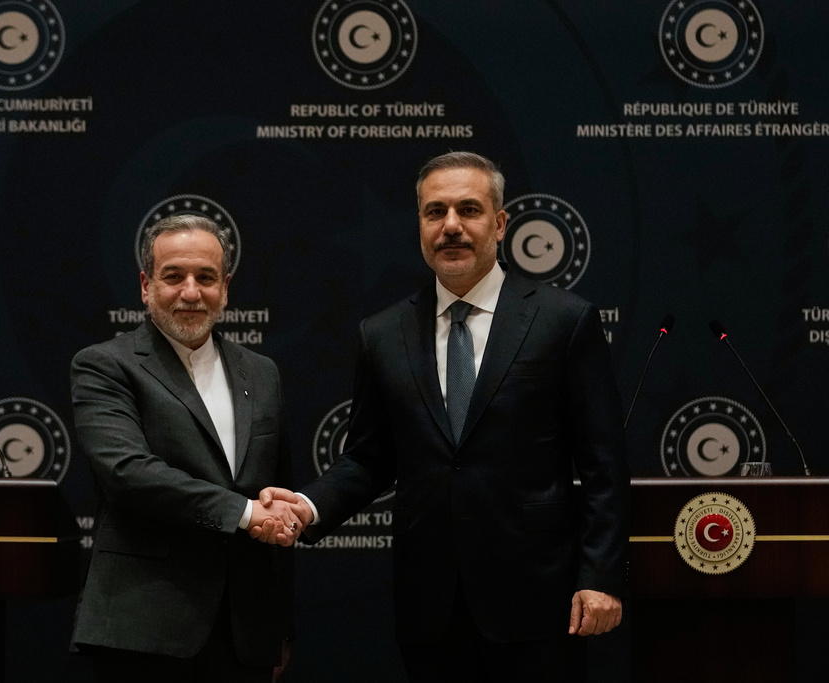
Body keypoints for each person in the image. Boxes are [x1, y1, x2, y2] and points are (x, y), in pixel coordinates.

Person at [256, 151, 629, 681]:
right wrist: (308, 507)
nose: (451, 225)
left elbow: (603, 466)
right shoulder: (382, 334)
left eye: (468, 210)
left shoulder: (564, 321)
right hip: (431, 608)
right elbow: (367, 459)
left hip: (540, 599)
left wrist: (601, 576)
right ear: (420, 225)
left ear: (499, 224)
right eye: (435, 212)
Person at [70, 213, 306, 682]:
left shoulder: (262, 373)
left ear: (225, 287)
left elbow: (277, 492)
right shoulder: (104, 365)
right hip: (145, 627)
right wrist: (244, 512)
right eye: (174, 276)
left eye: (206, 277)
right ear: (146, 286)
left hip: (244, 634)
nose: (191, 292)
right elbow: (127, 472)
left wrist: (277, 627)